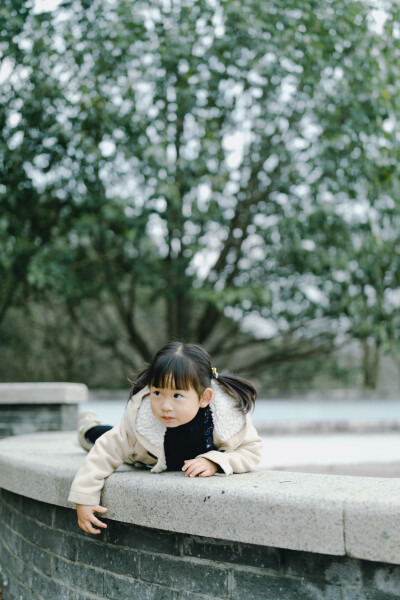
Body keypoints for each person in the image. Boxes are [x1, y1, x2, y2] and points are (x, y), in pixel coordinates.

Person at [68, 342, 263, 534]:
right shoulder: (139, 420)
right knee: (99, 436)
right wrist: (84, 497)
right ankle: (87, 427)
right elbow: (105, 451)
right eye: (158, 393)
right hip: (138, 453)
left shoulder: (226, 419)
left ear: (204, 398)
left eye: (177, 396)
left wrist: (215, 462)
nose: (165, 406)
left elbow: (251, 451)